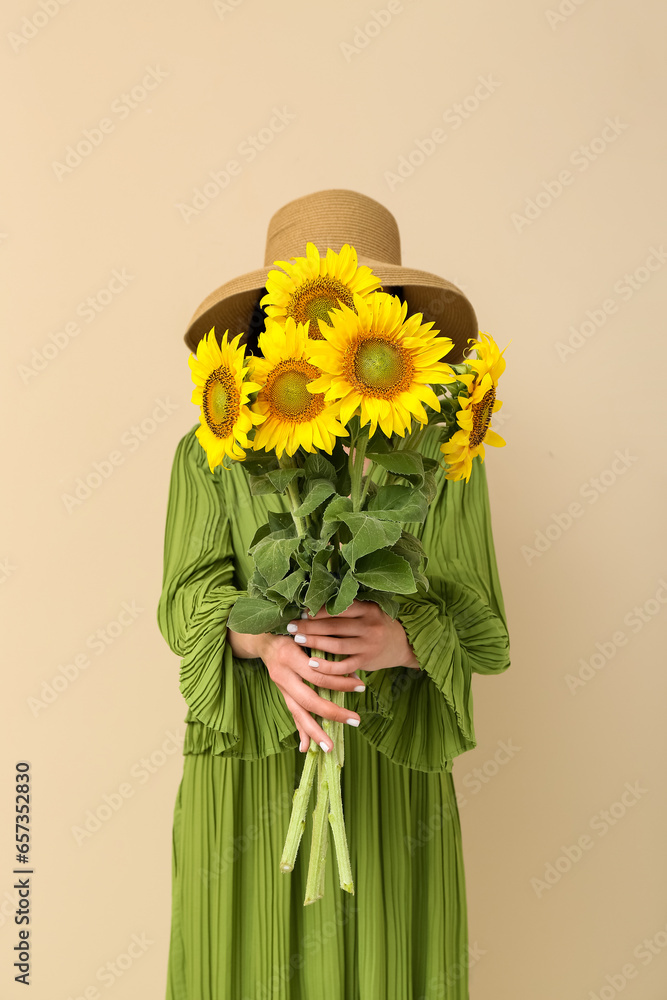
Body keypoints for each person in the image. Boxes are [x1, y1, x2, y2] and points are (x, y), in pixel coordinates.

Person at [156, 189, 511, 999]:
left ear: (383, 323)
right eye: (309, 312)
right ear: (269, 322)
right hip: (248, 765)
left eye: (349, 310)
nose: (323, 334)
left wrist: (403, 639)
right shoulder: (209, 449)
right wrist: (263, 645)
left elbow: (480, 628)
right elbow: (183, 607)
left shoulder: (441, 449)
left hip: (387, 768)